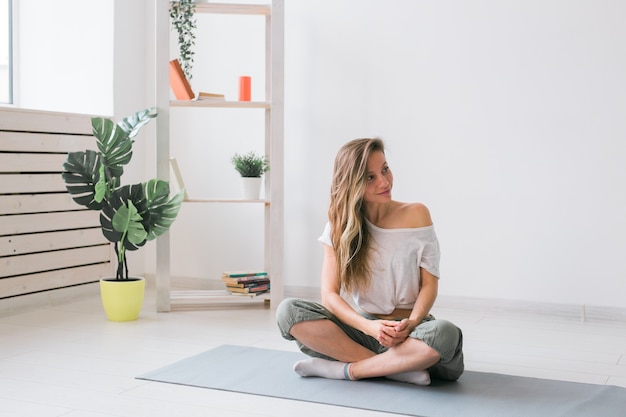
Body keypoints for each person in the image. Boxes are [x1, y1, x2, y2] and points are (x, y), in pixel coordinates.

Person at [276, 138, 464, 386]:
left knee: (445, 334)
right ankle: (397, 368)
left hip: (413, 332)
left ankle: (347, 370)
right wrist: (370, 328)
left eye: (385, 169)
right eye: (369, 177)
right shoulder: (339, 226)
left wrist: (413, 323)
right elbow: (329, 296)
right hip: (365, 330)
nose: (384, 182)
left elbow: (429, 284)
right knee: (288, 312)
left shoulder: (417, 214)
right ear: (351, 184)